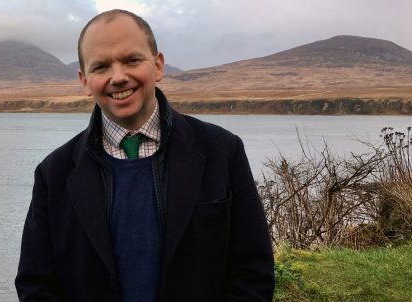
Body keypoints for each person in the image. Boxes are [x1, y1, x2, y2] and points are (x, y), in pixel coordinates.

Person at [15, 9, 274, 302]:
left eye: (132, 60)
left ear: (158, 65)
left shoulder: (222, 151)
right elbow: (36, 286)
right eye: (100, 67)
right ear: (84, 80)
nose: (118, 77)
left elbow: (253, 273)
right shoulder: (55, 173)